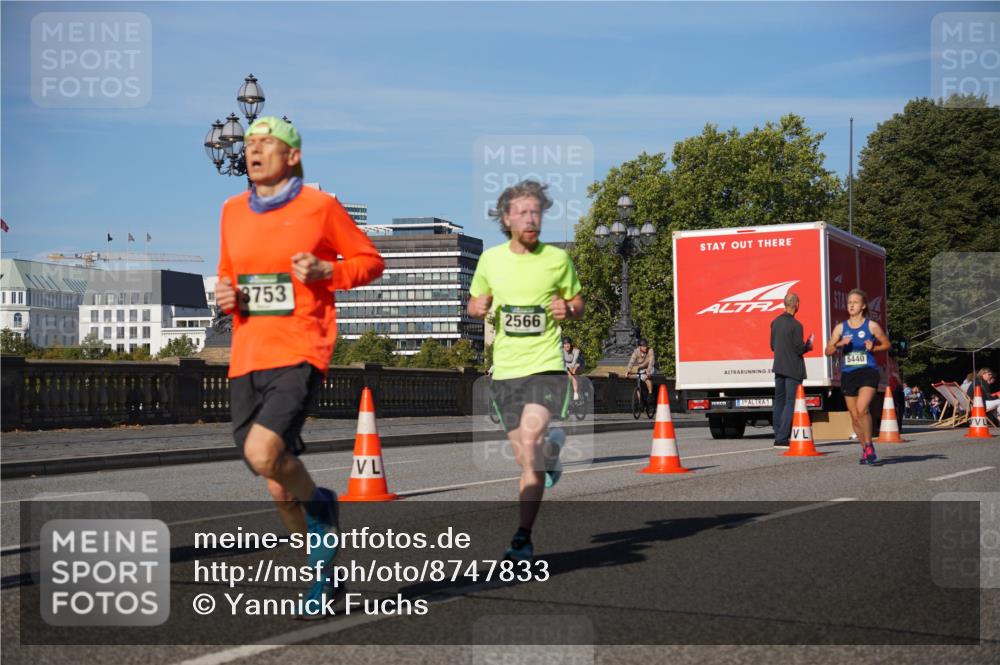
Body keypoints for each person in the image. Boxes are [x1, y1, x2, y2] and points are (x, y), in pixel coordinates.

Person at [215, 116, 385, 618]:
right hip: (247, 355)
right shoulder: (229, 211)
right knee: (272, 479)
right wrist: (228, 295)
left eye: (265, 142)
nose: (253, 149)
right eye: (248, 142)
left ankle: (323, 509)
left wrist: (329, 270)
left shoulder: (320, 207)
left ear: (292, 155)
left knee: (265, 452)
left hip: (301, 348)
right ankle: (324, 574)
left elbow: (370, 261)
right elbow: (229, 276)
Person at [467, 180, 584, 561]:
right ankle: (552, 452)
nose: (531, 218)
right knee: (526, 459)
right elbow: (473, 303)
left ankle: (521, 536)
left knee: (530, 440)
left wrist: (569, 309)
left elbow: (577, 302)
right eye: (522, 212)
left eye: (536, 211)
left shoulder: (556, 260)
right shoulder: (491, 260)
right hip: (506, 372)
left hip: (546, 366)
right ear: (506, 218)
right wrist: (477, 307)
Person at [825, 289, 891, 465]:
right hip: (848, 374)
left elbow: (886, 344)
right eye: (849, 302)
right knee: (854, 416)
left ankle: (869, 445)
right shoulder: (841, 327)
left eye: (855, 302)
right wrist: (840, 344)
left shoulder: (871, 326)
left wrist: (873, 348)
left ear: (863, 306)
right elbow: (827, 351)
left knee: (862, 409)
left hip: (868, 371)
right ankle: (864, 449)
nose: (851, 305)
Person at [770, 293, 814, 448]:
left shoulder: (775, 322)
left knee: (779, 402)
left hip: (779, 367)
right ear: (796, 304)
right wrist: (808, 346)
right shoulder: (796, 325)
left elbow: (772, 346)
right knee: (790, 402)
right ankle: (782, 438)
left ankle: (778, 433)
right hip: (793, 369)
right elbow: (798, 348)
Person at [626, 339, 655, 406]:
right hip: (641, 368)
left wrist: (648, 370)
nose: (645, 347)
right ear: (640, 346)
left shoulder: (650, 350)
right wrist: (628, 370)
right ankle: (640, 401)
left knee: (646, 377)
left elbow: (651, 361)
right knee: (638, 383)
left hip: (650, 367)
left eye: (646, 346)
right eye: (643, 346)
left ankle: (650, 394)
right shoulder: (636, 352)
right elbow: (631, 361)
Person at [562, 337, 583, 402]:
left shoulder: (576, 351)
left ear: (571, 344)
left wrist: (570, 368)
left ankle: (576, 392)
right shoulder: (561, 351)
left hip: (578, 364)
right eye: (565, 344)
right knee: (567, 374)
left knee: (573, 373)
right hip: (568, 366)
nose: (567, 346)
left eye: (568, 344)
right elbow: (562, 362)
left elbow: (574, 361)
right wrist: (567, 368)